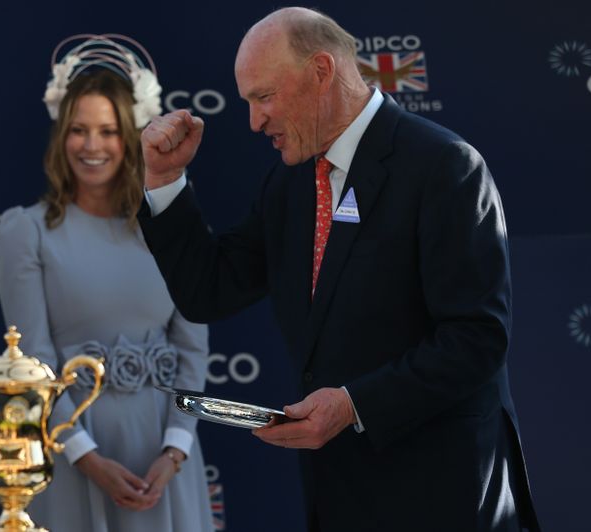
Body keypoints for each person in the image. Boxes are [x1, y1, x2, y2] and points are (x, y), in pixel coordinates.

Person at [137, 8, 541, 532]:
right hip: (341, 496)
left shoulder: (445, 166)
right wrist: (165, 180)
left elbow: (476, 340)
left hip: (444, 496)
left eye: (264, 96)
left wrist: (353, 405)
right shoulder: (292, 184)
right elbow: (209, 291)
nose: (255, 121)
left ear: (321, 72)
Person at [0, 34, 213, 532]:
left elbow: (192, 346)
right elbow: (33, 361)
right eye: (79, 130)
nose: (92, 146)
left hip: (166, 455)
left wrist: (175, 450)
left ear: (131, 135)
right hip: (76, 455)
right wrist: (86, 457)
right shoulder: (24, 230)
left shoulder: (170, 218)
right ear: (60, 136)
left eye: (108, 131)